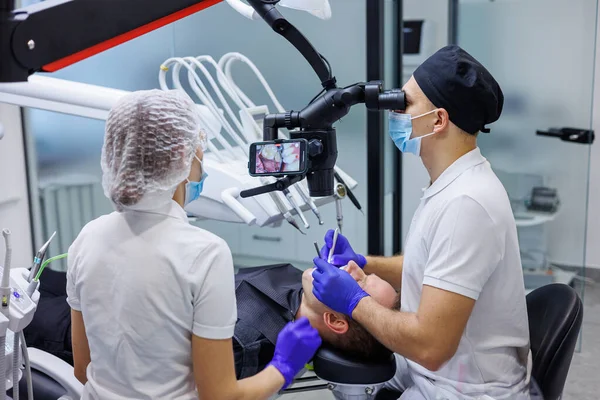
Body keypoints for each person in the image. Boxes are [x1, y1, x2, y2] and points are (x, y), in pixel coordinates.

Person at [66, 89, 321, 400]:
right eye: (201, 153)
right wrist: (283, 366)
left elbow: (83, 369)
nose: (204, 164)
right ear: (181, 160)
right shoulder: (205, 253)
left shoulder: (87, 238)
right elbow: (220, 395)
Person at [311, 45, 533, 399]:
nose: (394, 113)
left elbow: (431, 347)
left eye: (404, 104)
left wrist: (354, 301)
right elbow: (431, 268)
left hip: (464, 390)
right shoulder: (451, 184)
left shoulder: (466, 203)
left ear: (439, 120)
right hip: (438, 373)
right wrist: (369, 264)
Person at [27, 262, 398, 378]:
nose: (352, 267)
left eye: (359, 281)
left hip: (91, 328)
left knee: (11, 298)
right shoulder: (303, 292)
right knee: (30, 271)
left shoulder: (247, 343)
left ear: (335, 321)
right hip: (124, 287)